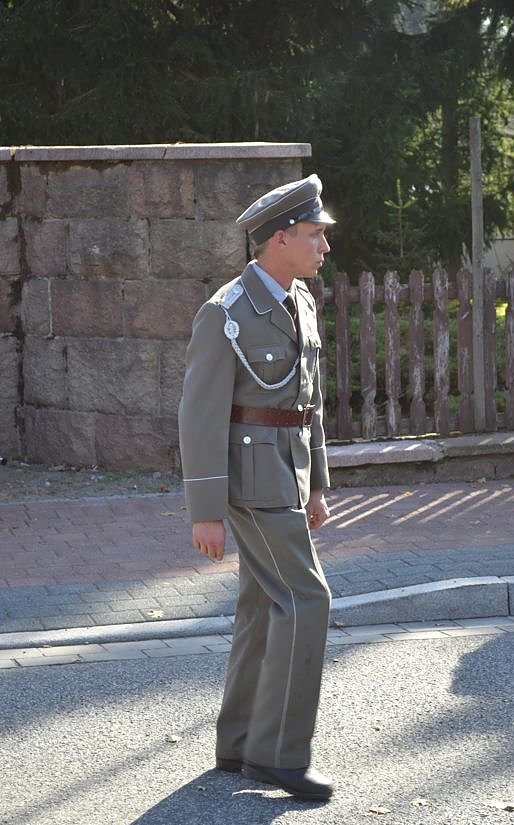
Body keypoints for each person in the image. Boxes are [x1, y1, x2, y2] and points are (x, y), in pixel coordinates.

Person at [178, 173, 335, 801]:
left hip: (286, 475)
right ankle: (278, 755)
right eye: (315, 236)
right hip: (250, 482)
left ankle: (241, 741)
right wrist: (205, 511)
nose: (325, 247)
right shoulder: (225, 313)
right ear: (279, 239)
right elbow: (200, 415)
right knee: (307, 599)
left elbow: (309, 404)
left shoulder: (299, 300)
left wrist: (317, 484)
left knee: (263, 606)